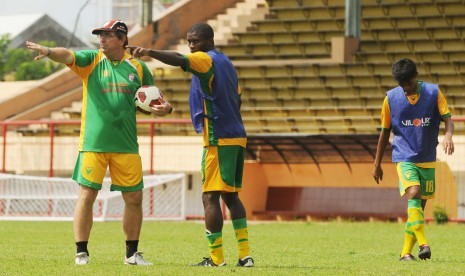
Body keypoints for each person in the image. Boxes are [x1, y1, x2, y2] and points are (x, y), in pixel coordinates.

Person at [27, 19, 173, 266]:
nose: (101, 40)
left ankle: (131, 255)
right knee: (87, 196)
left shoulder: (138, 68)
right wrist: (50, 52)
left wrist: (164, 109)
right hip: (93, 144)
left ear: (122, 39)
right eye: (100, 36)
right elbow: (67, 56)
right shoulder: (92, 59)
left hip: (126, 145)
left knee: (134, 199)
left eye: (107, 35)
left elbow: (150, 102)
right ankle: (81, 253)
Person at [128, 22, 254, 267]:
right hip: (237, 135)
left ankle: (217, 260)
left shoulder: (204, 59)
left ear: (209, 40)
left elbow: (177, 59)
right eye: (189, 41)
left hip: (218, 139)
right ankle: (245, 256)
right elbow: (237, 99)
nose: (191, 46)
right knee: (231, 198)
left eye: (195, 41)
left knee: (210, 198)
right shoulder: (227, 63)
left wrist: (148, 52)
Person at [372, 58, 454, 261]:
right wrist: (377, 163)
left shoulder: (434, 93)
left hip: (427, 157)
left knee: (418, 207)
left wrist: (448, 136)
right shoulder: (390, 99)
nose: (406, 89)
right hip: (404, 156)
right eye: (402, 86)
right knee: (414, 192)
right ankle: (424, 244)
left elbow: (448, 120)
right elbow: (384, 132)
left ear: (416, 77)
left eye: (408, 84)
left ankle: (405, 253)